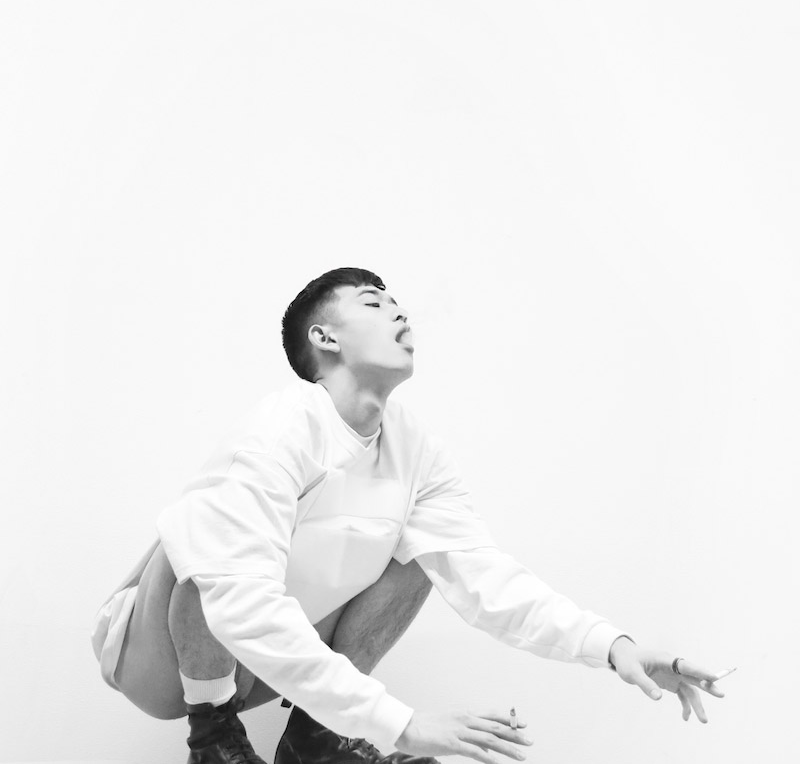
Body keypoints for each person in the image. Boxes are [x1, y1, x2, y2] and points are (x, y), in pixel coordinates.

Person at [92, 267, 729, 764]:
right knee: (210, 550)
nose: (399, 311)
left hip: (262, 665)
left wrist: (611, 645)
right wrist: (400, 724)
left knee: (425, 553)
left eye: (397, 301)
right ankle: (212, 739)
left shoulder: (415, 449)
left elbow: (482, 575)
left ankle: (315, 740)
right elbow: (240, 600)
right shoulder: (280, 428)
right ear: (325, 338)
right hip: (163, 660)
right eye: (374, 302)